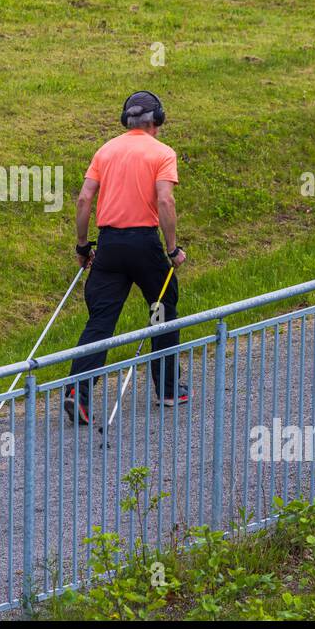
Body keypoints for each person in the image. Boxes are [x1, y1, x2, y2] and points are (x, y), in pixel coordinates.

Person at [65, 90, 188, 426]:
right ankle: (166, 389)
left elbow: (84, 200)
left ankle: (78, 391)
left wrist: (82, 247)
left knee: (101, 320)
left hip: (109, 246)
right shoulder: (162, 153)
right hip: (144, 244)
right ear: (157, 120)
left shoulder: (105, 150)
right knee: (163, 310)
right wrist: (172, 249)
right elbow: (165, 202)